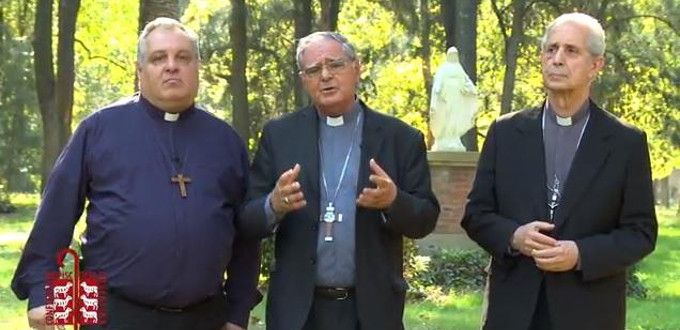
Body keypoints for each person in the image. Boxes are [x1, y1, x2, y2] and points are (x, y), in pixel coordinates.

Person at [12, 17, 261, 330]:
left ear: (197, 67)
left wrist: (238, 314)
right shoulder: (99, 129)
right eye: (159, 58)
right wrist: (40, 294)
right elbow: (54, 217)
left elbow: (245, 235)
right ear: (140, 70)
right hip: (109, 312)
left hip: (204, 318)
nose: (171, 66)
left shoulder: (225, 141)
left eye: (182, 57)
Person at [462, 12, 657, 330]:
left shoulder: (625, 142)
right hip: (514, 312)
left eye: (571, 51)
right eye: (550, 49)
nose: (557, 59)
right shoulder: (506, 132)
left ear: (596, 66)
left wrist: (581, 253)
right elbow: (477, 215)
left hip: (589, 313)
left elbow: (641, 233)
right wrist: (514, 236)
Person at [238, 31, 440, 330]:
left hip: (371, 310)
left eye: (335, 64)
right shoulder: (279, 135)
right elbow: (246, 220)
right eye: (313, 70)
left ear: (356, 67)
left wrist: (393, 201)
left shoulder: (401, 139)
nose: (326, 76)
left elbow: (425, 220)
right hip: (298, 312)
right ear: (303, 79)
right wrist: (273, 205)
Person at [429, 46, 479, 151]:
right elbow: (438, 80)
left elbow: (466, 80)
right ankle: (445, 137)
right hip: (446, 97)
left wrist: (472, 89)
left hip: (457, 97)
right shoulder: (444, 68)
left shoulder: (459, 68)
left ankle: (453, 137)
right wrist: (437, 88)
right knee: (446, 115)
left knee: (455, 116)